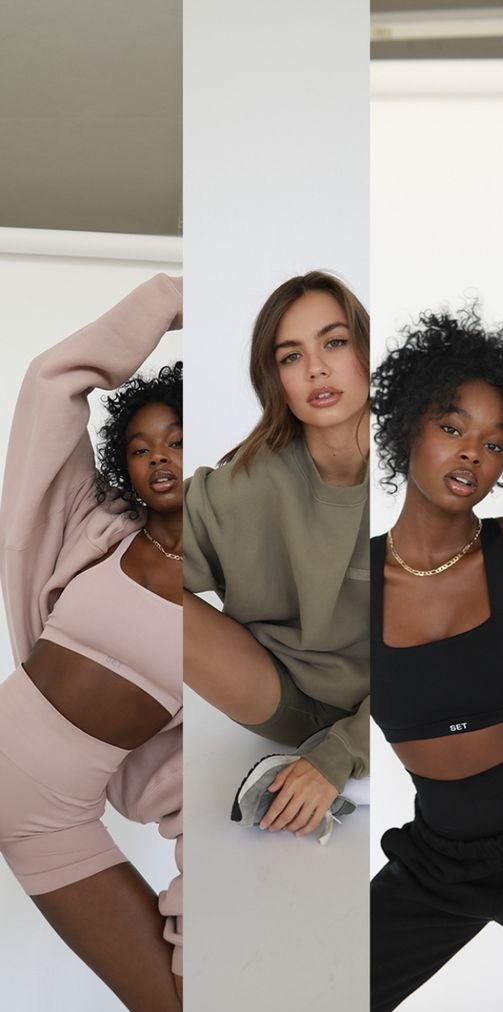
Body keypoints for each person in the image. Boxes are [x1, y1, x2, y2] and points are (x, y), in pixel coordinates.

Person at [0, 275, 184, 1012]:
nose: (159, 457)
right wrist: (171, 300)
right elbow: (51, 386)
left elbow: (205, 773)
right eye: (139, 447)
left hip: (50, 824)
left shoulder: (249, 594)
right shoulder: (99, 528)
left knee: (180, 1010)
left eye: (178, 437)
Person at [369, 307, 503, 1012]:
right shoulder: (351, 586)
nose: (473, 455)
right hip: (439, 861)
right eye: (453, 428)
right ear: (408, 426)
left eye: (496, 444)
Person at [184, 270, 369, 839]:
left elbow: (458, 650)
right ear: (276, 379)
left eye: (334, 343)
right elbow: (147, 560)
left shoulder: (426, 473)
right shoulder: (247, 480)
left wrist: (337, 756)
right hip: (284, 697)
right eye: (291, 356)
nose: (316, 368)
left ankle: (359, 767)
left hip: (404, 707)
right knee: (142, 594)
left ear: (366, 349)